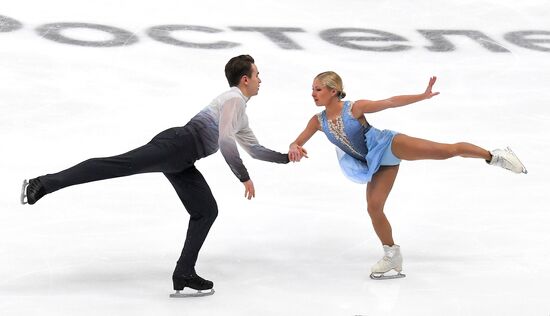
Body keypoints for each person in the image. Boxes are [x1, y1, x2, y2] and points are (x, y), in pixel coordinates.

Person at [20, 55, 294, 296]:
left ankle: (184, 273)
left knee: (206, 210)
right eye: (258, 74)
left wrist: (285, 157)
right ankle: (42, 183)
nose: (261, 79)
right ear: (245, 79)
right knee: (115, 166)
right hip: (175, 145)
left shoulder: (241, 114)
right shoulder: (233, 98)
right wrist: (243, 176)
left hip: (183, 159)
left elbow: (255, 150)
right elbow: (224, 140)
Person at [288, 71, 527, 280]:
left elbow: (390, 102)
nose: (313, 93)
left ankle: (494, 156)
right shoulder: (317, 122)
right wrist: (295, 146)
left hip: (388, 145)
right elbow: (297, 141)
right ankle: (392, 255)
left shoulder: (354, 108)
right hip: (376, 164)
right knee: (374, 208)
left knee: (445, 151)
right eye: (312, 89)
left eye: (317, 89)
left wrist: (422, 96)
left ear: (333, 91)